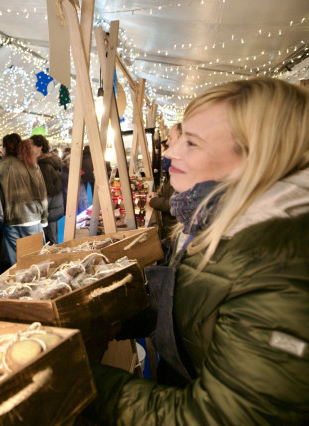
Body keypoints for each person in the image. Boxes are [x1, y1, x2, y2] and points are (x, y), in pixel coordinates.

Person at [90, 77, 309, 425]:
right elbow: (196, 301)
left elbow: (219, 417)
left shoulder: (281, 263)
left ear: (255, 156)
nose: (170, 151)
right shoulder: (212, 220)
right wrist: (104, 317)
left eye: (190, 142)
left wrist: (76, 382)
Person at [0, 133, 47, 265]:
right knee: (39, 259)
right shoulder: (31, 164)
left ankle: (23, 285)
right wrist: (44, 218)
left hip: (9, 221)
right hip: (32, 218)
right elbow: (42, 193)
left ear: (4, 148)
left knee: (18, 263)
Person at [147, 123, 180, 240]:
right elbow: (170, 193)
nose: (167, 142)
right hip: (170, 232)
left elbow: (178, 204)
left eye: (171, 138)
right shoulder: (175, 164)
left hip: (175, 232)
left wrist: (154, 201)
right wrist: (158, 195)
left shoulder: (184, 168)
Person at [31, 134, 63, 245]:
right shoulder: (49, 162)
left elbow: (46, 191)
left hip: (48, 210)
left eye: (31, 146)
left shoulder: (43, 165)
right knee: (51, 239)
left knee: (49, 242)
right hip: (54, 207)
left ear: (39, 147)